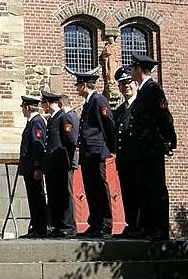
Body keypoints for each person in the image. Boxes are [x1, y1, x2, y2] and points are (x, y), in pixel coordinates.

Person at [128, 53, 177, 241]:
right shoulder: (143, 90)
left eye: (133, 68)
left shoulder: (153, 89)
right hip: (142, 148)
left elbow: (164, 116)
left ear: (139, 69)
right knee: (144, 188)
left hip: (151, 147)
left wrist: (169, 140)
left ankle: (160, 229)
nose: (131, 71)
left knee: (156, 188)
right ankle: (148, 227)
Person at [75, 72, 116, 238]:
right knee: (91, 189)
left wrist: (111, 148)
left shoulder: (98, 100)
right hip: (88, 153)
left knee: (99, 187)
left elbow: (108, 124)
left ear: (84, 85)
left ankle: (105, 223)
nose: (77, 88)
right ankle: (95, 223)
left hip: (97, 151)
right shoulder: (88, 102)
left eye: (78, 85)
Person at [41, 90, 77, 237]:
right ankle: (56, 225)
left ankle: (68, 226)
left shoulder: (63, 117)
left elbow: (71, 140)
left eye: (43, 103)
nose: (42, 106)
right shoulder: (52, 119)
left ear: (49, 103)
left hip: (62, 163)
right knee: (54, 194)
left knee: (65, 195)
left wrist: (68, 160)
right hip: (52, 164)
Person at [112, 66, 140, 237]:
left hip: (136, 158)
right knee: (127, 193)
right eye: (122, 84)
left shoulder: (140, 105)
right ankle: (131, 224)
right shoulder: (121, 110)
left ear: (135, 84)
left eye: (128, 82)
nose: (126, 86)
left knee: (138, 192)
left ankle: (140, 225)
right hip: (123, 160)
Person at [18, 95, 48, 238]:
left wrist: (38, 167)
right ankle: (36, 226)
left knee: (37, 197)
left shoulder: (36, 122)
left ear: (28, 107)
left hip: (33, 168)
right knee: (33, 197)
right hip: (29, 167)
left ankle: (40, 227)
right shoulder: (32, 122)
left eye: (23, 107)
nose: (22, 110)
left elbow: (38, 145)